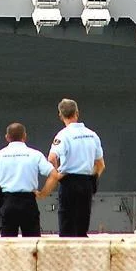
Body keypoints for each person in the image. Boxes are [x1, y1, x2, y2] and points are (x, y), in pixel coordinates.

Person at [0, 123, 59, 237]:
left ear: (7, 137)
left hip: (7, 202)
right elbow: (54, 175)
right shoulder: (35, 155)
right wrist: (43, 194)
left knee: (8, 245)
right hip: (28, 202)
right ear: (25, 136)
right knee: (32, 244)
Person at [46, 99, 104, 237]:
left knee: (67, 225)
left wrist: (58, 174)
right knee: (82, 224)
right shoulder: (92, 135)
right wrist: (93, 179)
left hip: (69, 182)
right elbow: (101, 165)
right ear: (77, 113)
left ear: (60, 115)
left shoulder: (63, 135)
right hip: (87, 182)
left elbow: (51, 158)